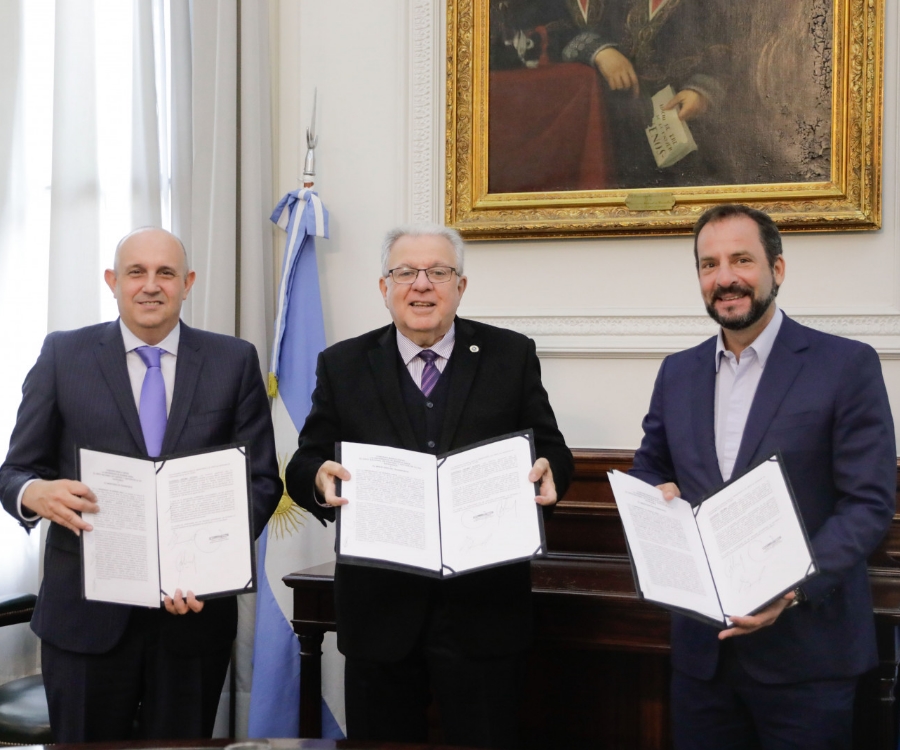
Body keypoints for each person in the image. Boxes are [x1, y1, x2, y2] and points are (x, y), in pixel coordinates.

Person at [284, 222, 574, 749]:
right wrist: (319, 477)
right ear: (384, 287)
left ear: (460, 286)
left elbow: (553, 451)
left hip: (484, 611)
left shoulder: (510, 356)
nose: (422, 284)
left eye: (438, 272)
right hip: (379, 613)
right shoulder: (344, 364)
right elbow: (306, 460)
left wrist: (552, 472)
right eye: (405, 272)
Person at [0, 228, 282, 742]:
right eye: (136, 272)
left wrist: (211, 565)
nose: (150, 286)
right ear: (113, 281)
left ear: (187, 282)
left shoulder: (233, 360)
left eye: (165, 273)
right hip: (84, 621)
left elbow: (261, 482)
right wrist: (31, 495)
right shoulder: (64, 356)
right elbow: (15, 471)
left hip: (192, 616)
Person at [630, 204, 895, 749]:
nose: (724, 277)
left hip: (809, 659)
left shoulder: (846, 365)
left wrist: (793, 588)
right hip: (703, 660)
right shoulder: (676, 372)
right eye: (709, 264)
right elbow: (651, 467)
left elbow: (868, 503)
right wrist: (656, 496)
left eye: (741, 260)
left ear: (777, 268)